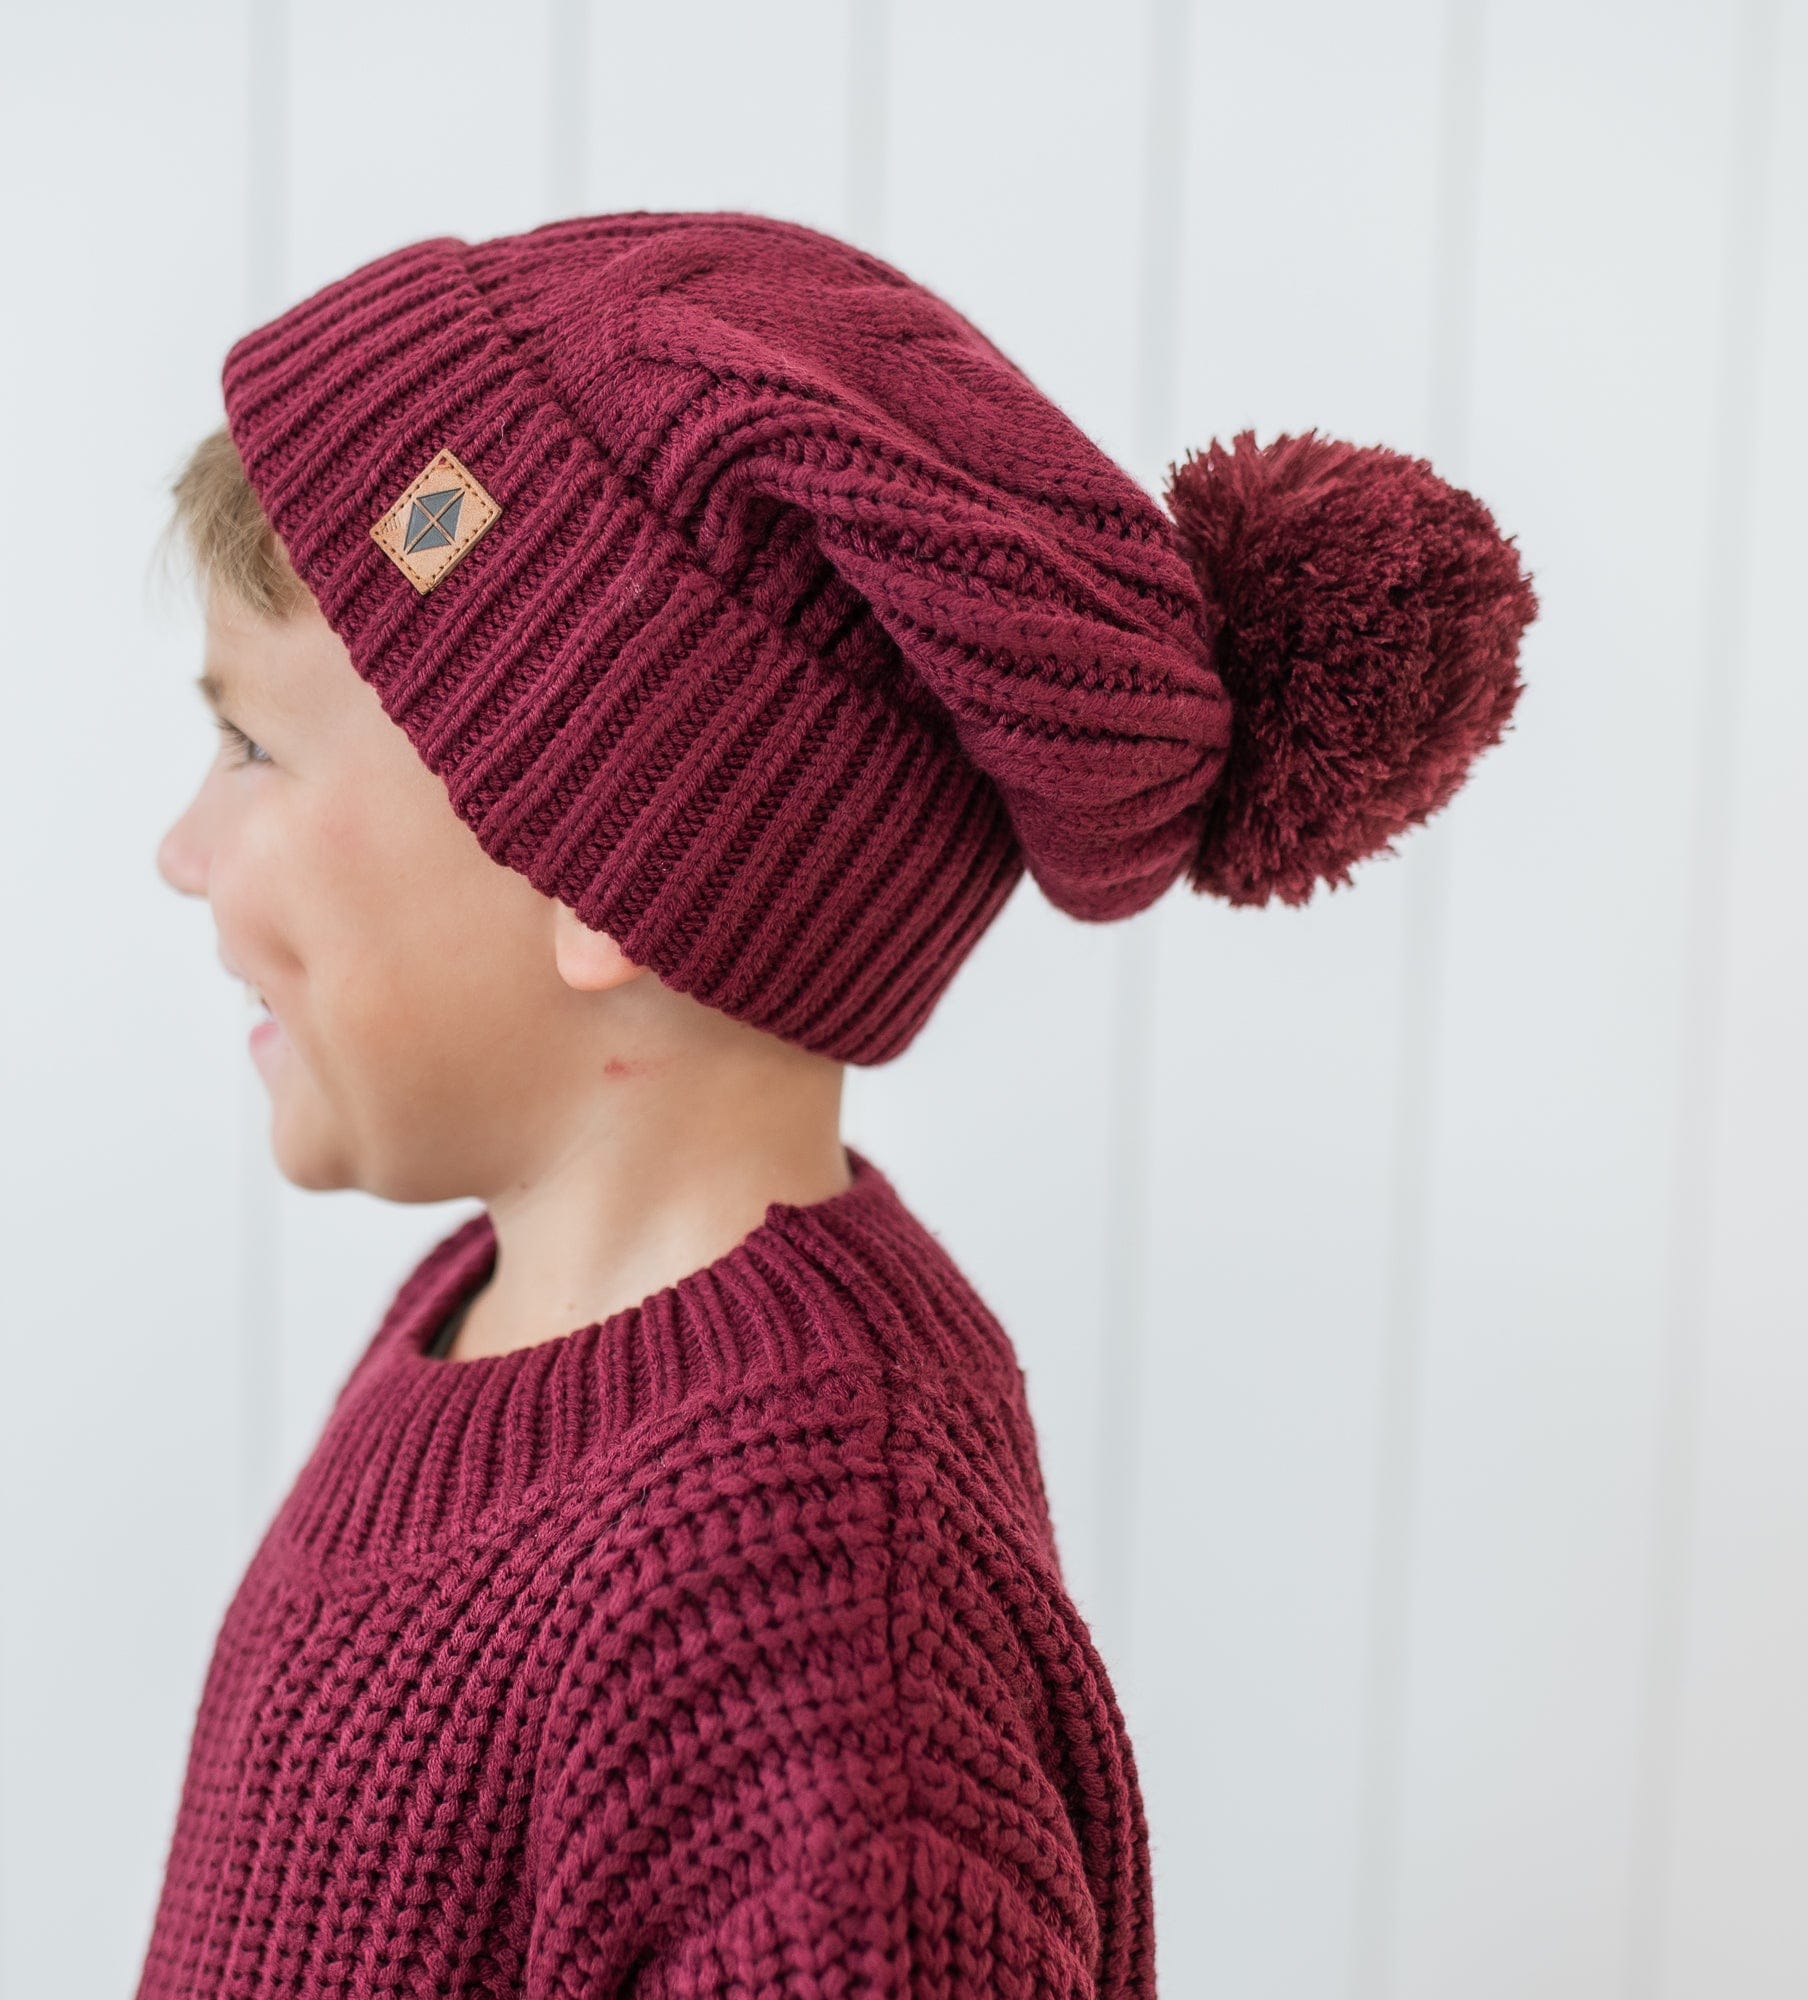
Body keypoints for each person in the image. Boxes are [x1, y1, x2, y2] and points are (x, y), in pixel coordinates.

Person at [141, 209, 1537, 2000]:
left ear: (602, 861)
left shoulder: (810, 1604)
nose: (182, 853)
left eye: (252, 745)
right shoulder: (493, 1320)